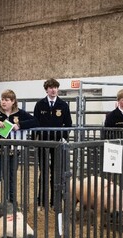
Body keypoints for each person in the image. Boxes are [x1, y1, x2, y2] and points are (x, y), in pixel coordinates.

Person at [0, 89, 38, 203]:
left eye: (6, 100)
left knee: (11, 179)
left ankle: (11, 204)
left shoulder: (19, 113)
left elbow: (35, 121)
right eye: (2, 99)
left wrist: (20, 125)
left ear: (13, 101)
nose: (3, 102)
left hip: (12, 152)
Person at [34, 78, 73, 209]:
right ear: (46, 89)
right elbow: (35, 123)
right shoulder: (40, 105)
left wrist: (64, 139)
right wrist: (35, 141)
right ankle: (42, 202)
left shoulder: (63, 105)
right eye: (51, 87)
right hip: (43, 143)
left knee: (56, 172)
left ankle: (54, 202)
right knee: (43, 172)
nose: (53, 90)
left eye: (55, 87)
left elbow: (68, 124)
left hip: (58, 144)